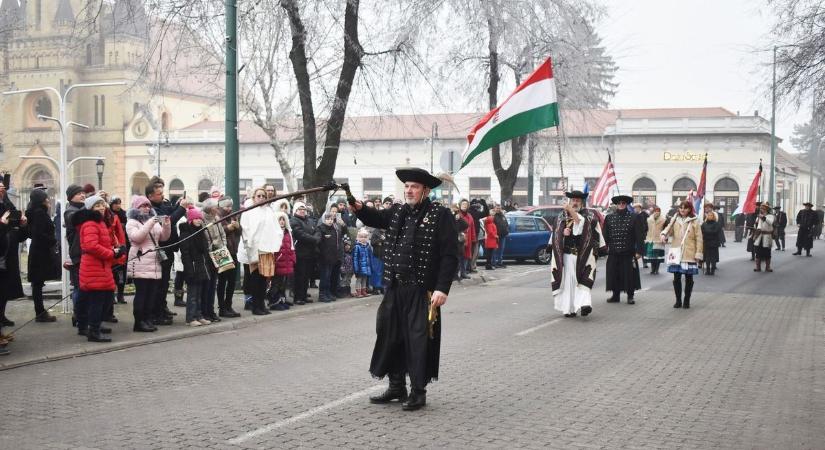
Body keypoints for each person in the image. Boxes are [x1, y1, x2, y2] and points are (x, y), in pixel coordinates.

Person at [352, 167, 458, 411]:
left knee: (417, 340)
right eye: (407, 186)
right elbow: (375, 218)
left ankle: (418, 392)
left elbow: (450, 256)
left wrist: (442, 288)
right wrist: (356, 205)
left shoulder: (440, 215)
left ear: (426, 190)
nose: (409, 190)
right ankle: (396, 386)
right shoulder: (399, 210)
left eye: (415, 187)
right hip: (395, 287)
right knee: (390, 336)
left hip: (422, 291)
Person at [74, 195, 124, 342]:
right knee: (98, 299)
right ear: (90, 208)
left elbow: (101, 244)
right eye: (97, 205)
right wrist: (111, 253)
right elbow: (91, 246)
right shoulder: (91, 223)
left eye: (102, 204)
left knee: (96, 298)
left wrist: (115, 252)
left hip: (101, 266)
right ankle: (93, 331)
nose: (101, 207)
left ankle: (85, 325)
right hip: (94, 266)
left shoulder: (100, 222)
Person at [550, 190, 604, 318]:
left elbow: (581, 223)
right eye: (573, 200)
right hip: (567, 256)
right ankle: (569, 309)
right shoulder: (561, 216)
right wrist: (563, 233)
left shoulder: (589, 215)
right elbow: (555, 235)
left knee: (583, 281)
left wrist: (571, 211)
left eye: (578, 201)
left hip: (583, 256)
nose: (575, 203)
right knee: (569, 283)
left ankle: (585, 305)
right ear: (570, 201)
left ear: (582, 202)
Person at [126, 196, 171, 332]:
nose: (146, 208)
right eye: (143, 206)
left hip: (154, 261)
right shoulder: (132, 222)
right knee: (142, 294)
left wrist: (167, 225)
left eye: (148, 205)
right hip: (140, 261)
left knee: (151, 294)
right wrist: (151, 222)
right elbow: (137, 237)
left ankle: (147, 319)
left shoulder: (154, 221)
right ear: (136, 208)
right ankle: (139, 322)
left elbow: (163, 237)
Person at [146, 180, 187, 325]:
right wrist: (181, 209)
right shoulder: (151, 209)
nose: (163, 196)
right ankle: (156, 313)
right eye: (159, 194)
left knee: (164, 283)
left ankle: (162, 308)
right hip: (161, 248)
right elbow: (168, 221)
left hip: (169, 247)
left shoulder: (162, 204)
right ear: (150, 196)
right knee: (160, 283)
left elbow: (169, 212)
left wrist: (177, 205)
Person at [240, 188, 281, 315]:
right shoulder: (248, 212)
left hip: (267, 249)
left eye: (263, 196)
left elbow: (276, 229)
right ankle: (255, 306)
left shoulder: (269, 211)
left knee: (264, 279)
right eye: (259, 196)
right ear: (254, 197)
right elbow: (245, 230)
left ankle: (261, 304)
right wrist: (251, 245)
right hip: (254, 250)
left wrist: (275, 242)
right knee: (255, 279)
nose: (262, 198)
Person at [25, 188, 60, 322]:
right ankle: (40, 313)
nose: (48, 200)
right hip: (40, 252)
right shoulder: (39, 213)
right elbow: (39, 234)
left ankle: (40, 311)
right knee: (38, 283)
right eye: (45, 198)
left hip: (38, 251)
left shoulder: (35, 212)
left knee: (37, 283)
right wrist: (52, 240)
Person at [661, 201, 703, 309]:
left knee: (689, 278)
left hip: (689, 252)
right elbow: (668, 229)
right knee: (676, 278)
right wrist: (664, 235)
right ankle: (678, 300)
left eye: (685, 208)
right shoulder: (675, 219)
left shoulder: (694, 221)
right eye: (681, 208)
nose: (682, 210)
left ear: (689, 209)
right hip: (676, 252)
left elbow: (699, 239)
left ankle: (686, 300)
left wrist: (698, 253)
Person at [602, 195, 643, 304]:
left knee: (629, 274)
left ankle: (630, 296)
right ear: (616, 204)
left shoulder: (634, 217)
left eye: (623, 203)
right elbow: (605, 235)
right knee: (614, 274)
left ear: (626, 204)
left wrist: (639, 251)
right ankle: (615, 295)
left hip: (628, 251)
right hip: (614, 251)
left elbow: (639, 235)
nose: (621, 205)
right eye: (619, 203)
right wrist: (603, 249)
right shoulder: (609, 217)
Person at [179, 208, 214, 326]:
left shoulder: (201, 232)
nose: (199, 220)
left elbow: (204, 250)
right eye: (196, 218)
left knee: (199, 294)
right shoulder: (186, 234)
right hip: (193, 268)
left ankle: (199, 315)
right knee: (192, 295)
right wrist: (189, 270)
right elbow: (185, 254)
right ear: (190, 220)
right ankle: (190, 318)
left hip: (201, 267)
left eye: (200, 218)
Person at [290, 201, 320, 305]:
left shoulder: (310, 220)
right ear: (295, 210)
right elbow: (300, 235)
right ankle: (298, 297)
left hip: (310, 253)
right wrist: (314, 239)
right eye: (300, 209)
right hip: (300, 253)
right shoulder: (294, 221)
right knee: (300, 276)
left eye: (304, 209)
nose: (302, 211)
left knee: (306, 276)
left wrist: (316, 238)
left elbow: (317, 231)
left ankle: (303, 295)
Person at [217, 197, 242, 317]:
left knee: (232, 281)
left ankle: (228, 305)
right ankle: (222, 308)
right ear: (221, 206)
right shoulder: (217, 215)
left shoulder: (233, 215)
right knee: (222, 281)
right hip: (222, 251)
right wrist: (228, 228)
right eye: (226, 206)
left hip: (233, 251)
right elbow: (217, 231)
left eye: (230, 206)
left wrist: (237, 227)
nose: (229, 208)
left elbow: (239, 232)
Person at [270, 211, 296, 310]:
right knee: (276, 283)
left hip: (287, 261)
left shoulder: (288, 232)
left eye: (283, 220)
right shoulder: (274, 232)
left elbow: (292, 247)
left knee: (283, 284)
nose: (282, 222)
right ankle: (274, 302)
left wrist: (293, 259)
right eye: (280, 220)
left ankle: (281, 300)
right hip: (278, 262)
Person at [317, 211, 344, 302]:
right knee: (324, 276)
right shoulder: (320, 228)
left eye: (331, 219)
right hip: (324, 257)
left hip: (332, 257)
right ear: (324, 219)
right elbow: (318, 242)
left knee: (329, 277)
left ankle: (328, 292)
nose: (330, 221)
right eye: (328, 219)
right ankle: (322, 294)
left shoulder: (334, 229)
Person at [110, 197, 129, 304]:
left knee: (122, 273)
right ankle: (112, 295)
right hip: (113, 246)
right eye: (116, 203)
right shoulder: (109, 215)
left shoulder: (124, 214)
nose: (118, 205)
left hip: (124, 245)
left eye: (119, 203)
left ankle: (120, 295)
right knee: (112, 273)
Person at [751, 203, 775, 271]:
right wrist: (755, 229)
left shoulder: (770, 216)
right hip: (759, 236)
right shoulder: (758, 217)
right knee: (758, 252)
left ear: (766, 210)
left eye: (763, 209)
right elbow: (756, 225)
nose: (761, 210)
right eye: (761, 208)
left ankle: (768, 267)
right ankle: (758, 267)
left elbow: (770, 222)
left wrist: (763, 217)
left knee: (767, 252)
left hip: (767, 236)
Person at [644, 206, 666, 274]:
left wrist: (665, 237)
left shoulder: (664, 220)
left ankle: (657, 269)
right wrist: (644, 237)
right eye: (655, 211)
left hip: (659, 240)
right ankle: (652, 269)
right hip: (650, 239)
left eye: (658, 211)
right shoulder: (648, 219)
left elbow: (666, 230)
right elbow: (645, 229)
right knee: (651, 257)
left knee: (658, 257)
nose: (657, 212)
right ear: (653, 212)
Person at [457, 200, 476, 276]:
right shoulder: (457, 214)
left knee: (466, 256)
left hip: (468, 238)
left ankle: (463, 272)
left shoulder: (470, 215)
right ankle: (456, 274)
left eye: (466, 204)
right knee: (459, 256)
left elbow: (473, 228)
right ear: (460, 205)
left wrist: (473, 238)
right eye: (463, 204)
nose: (464, 205)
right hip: (459, 239)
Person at [353, 228, 373, 297]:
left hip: (366, 267)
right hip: (359, 267)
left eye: (365, 237)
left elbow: (369, 257)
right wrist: (356, 268)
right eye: (361, 237)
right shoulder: (357, 247)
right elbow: (355, 258)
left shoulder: (367, 246)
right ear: (358, 237)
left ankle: (363, 291)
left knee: (365, 279)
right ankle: (358, 292)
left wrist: (370, 266)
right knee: (359, 279)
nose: (363, 239)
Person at [701, 210, 721, 275]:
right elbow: (702, 231)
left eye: (711, 215)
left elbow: (716, 232)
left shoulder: (716, 224)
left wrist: (707, 232)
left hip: (714, 242)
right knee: (707, 257)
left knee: (713, 257)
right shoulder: (704, 224)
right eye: (709, 215)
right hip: (706, 242)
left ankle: (712, 270)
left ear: (713, 216)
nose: (710, 216)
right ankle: (707, 270)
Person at [492, 203, 509, 268]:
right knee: (495, 250)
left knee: (501, 249)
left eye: (499, 208)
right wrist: (495, 234)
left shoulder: (502, 215)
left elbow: (506, 224)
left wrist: (507, 231)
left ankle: (500, 262)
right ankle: (494, 263)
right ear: (494, 209)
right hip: (496, 236)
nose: (498, 209)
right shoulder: (493, 216)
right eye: (497, 208)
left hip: (503, 235)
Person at [633, 203, 650, 268]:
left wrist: (645, 231)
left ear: (640, 208)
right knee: (635, 249)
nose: (635, 209)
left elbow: (647, 224)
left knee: (643, 248)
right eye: (635, 208)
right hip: (634, 235)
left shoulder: (645, 214)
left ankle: (645, 263)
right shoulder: (633, 215)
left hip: (643, 234)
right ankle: (634, 261)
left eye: (637, 207)